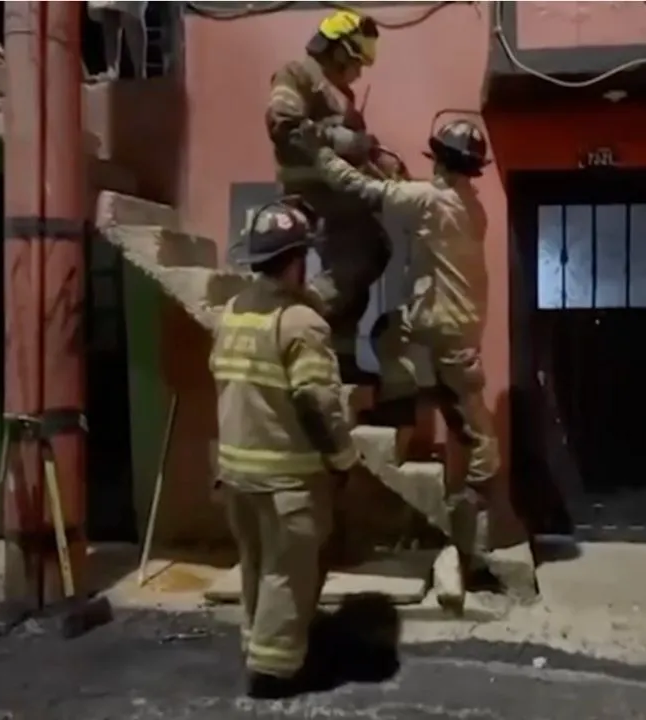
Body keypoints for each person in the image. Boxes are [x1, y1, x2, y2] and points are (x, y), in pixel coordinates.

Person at [293, 117, 499, 562]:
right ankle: (416, 395)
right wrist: (387, 170)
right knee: (412, 354)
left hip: (439, 323)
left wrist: (320, 154)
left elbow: (369, 192)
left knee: (470, 421)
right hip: (457, 322)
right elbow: (409, 197)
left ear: (441, 161)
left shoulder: (428, 198)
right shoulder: (468, 205)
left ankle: (480, 521)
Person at [211, 201, 361, 699]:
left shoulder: (233, 311)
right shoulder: (300, 323)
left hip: (237, 474)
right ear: (297, 260)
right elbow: (316, 400)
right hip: (287, 480)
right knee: (288, 574)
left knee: (255, 565)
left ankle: (256, 648)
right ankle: (275, 676)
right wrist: (342, 459)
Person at [265, 9, 389, 382]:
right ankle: (300, 311)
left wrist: (377, 157)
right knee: (366, 249)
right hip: (310, 192)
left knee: (361, 280)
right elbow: (282, 124)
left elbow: (357, 153)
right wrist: (342, 139)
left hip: (339, 194)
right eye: (356, 62)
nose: (358, 72)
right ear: (337, 51)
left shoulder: (344, 97)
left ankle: (342, 362)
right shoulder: (298, 74)